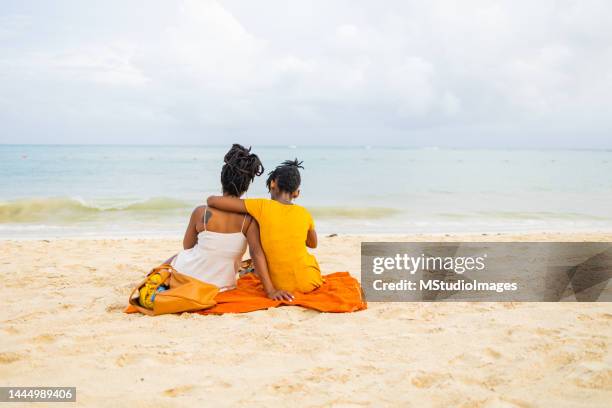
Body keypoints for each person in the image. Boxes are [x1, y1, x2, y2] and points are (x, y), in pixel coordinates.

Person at [165, 144, 293, 301]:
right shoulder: (249, 219)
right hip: (222, 286)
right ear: (246, 186)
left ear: (222, 180)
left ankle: (157, 275)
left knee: (176, 257)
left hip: (187, 276)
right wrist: (271, 291)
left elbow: (187, 247)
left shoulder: (201, 212)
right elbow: (257, 254)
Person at [207, 159, 323, 293]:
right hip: (309, 282)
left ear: (273, 183)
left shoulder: (261, 206)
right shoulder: (304, 213)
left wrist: (210, 198)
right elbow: (313, 243)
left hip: (278, 286)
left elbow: (214, 201)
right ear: (297, 193)